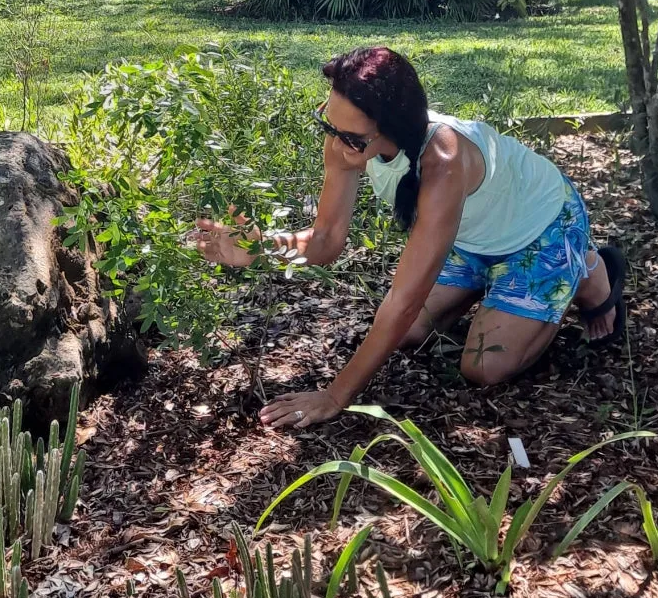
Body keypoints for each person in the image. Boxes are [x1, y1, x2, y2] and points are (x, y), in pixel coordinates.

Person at [192, 46, 626, 430]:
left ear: (391, 129)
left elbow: (401, 302)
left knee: (482, 367)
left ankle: (591, 271)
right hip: (472, 238)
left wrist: (334, 397)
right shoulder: (346, 140)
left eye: (350, 137)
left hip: (540, 229)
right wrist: (261, 247)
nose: (337, 145)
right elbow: (325, 240)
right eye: (329, 123)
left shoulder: (444, 161)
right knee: (406, 335)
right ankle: (493, 284)